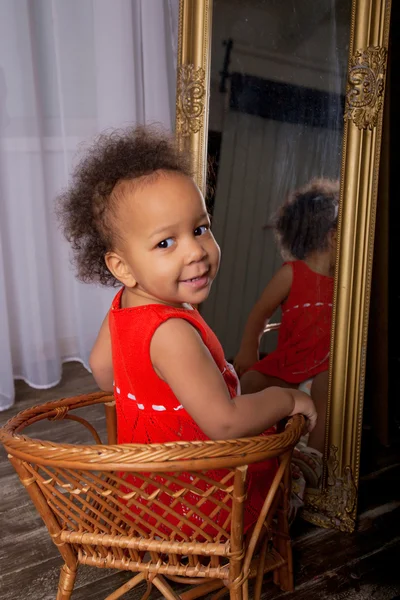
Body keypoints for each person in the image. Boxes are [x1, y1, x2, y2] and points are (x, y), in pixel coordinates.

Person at [57, 125, 316, 536]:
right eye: (165, 243)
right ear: (121, 266)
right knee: (293, 466)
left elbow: (102, 370)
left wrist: (155, 392)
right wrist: (284, 399)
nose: (196, 250)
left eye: (199, 229)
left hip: (145, 494)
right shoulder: (172, 332)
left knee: (247, 391)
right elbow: (225, 424)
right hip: (198, 504)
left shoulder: (124, 305)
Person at [233, 178, 339, 486]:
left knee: (327, 383)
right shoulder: (292, 273)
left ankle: (313, 459)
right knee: (250, 381)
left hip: (323, 365)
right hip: (289, 363)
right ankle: (251, 453)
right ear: (334, 237)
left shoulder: (344, 281)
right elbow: (259, 312)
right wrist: (248, 347)